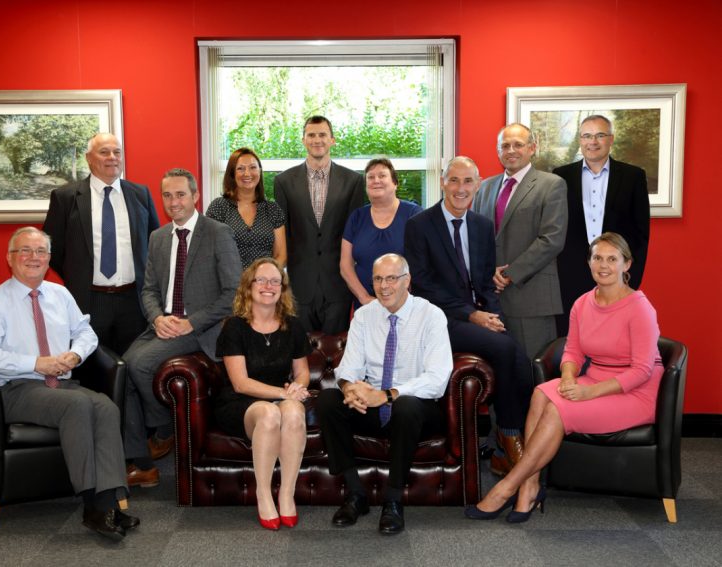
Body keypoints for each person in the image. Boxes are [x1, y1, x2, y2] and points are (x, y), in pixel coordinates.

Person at [465, 232, 663, 523]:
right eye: (598, 258)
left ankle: (508, 487)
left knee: (558, 410)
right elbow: (572, 351)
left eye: (612, 259)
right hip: (594, 380)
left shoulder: (640, 308)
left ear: (627, 264)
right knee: (541, 393)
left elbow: (642, 370)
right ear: (589, 262)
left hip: (634, 393)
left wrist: (588, 393)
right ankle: (530, 486)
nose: (604, 265)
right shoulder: (583, 303)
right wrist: (569, 378)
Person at [0, 227, 138, 541]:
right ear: (10, 258)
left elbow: (87, 333)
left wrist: (74, 354)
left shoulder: (60, 294)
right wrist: (34, 363)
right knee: (78, 404)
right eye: (25, 251)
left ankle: (110, 502)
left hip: (62, 384)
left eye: (41, 251)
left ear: (48, 259)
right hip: (18, 389)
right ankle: (92, 506)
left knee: (106, 407)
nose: (34, 257)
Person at [404, 156, 532, 476]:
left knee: (521, 360)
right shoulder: (419, 225)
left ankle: (510, 440)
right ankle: (511, 438)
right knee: (505, 350)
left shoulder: (482, 225)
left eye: (468, 182)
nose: (461, 188)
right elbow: (422, 284)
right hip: (438, 319)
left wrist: (494, 316)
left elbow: (487, 280)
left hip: (477, 314)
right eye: (454, 180)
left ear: (477, 185)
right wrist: (473, 315)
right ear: (443, 183)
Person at [122, 168, 242, 487]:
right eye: (167, 195)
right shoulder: (158, 237)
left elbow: (233, 293)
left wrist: (190, 323)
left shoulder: (217, 232)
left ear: (195, 196)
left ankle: (165, 429)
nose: (173, 202)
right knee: (123, 368)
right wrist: (157, 319)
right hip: (163, 324)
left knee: (140, 364)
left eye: (180, 194)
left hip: (201, 330)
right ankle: (143, 463)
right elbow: (148, 289)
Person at [316, 254, 452, 535]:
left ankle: (393, 500)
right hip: (372, 404)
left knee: (406, 406)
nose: (384, 286)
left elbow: (437, 379)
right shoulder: (365, 316)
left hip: (416, 409)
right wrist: (350, 388)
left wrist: (389, 395)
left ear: (407, 281)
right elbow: (347, 368)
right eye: (378, 279)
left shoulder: (431, 316)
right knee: (328, 400)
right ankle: (356, 494)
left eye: (392, 278)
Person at [214, 258, 312, 530]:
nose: (268, 286)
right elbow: (241, 384)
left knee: (293, 413)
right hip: (241, 404)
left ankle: (287, 494)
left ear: (283, 289)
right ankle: (263, 494)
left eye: (275, 281)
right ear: (249, 286)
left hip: (280, 398)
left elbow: (302, 371)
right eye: (261, 280)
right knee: (270, 413)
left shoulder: (292, 325)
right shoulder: (234, 327)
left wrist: (297, 387)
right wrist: (284, 392)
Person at [43, 133, 160, 355]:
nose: (112, 158)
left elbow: (155, 244)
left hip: (134, 301)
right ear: (89, 158)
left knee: (134, 366)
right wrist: (78, 273)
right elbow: (53, 250)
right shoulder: (65, 197)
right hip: (88, 299)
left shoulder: (140, 194)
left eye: (117, 152)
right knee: (90, 367)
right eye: (104, 152)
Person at [472, 123, 568, 360]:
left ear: (532, 148)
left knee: (533, 371)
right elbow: (475, 238)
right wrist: (486, 273)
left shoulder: (551, 184)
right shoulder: (484, 188)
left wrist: (509, 274)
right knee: (498, 372)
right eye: (505, 145)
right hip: (490, 298)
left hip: (531, 297)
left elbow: (552, 239)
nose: (511, 150)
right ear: (498, 151)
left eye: (518, 144)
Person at [554, 114, 650, 336]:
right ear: (580, 140)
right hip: (570, 274)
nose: (593, 142)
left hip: (616, 273)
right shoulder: (560, 176)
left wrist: (630, 276)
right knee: (573, 338)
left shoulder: (633, 176)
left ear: (611, 139)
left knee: (614, 337)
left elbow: (641, 233)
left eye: (600, 135)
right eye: (587, 136)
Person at [274, 115, 365, 334]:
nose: (317, 140)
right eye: (311, 135)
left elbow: (354, 235)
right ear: (304, 140)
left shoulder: (353, 181)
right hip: (299, 285)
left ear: (332, 140)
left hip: (338, 284)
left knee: (338, 353)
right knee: (300, 356)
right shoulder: (283, 182)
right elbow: (283, 235)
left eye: (322, 134)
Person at [340, 158, 422, 308]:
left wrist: (400, 300)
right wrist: (364, 298)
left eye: (382, 176)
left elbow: (423, 262)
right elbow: (346, 265)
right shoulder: (357, 217)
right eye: (370, 177)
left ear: (395, 183)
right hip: (365, 306)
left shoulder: (413, 214)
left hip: (404, 305)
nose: (376, 180)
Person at [206, 148, 286, 269]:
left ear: (259, 171)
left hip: (265, 285)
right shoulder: (218, 207)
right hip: (229, 284)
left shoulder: (273, 209)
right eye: (240, 168)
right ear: (232, 174)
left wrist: (264, 280)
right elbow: (210, 253)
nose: (247, 173)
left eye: (253, 167)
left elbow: (281, 255)